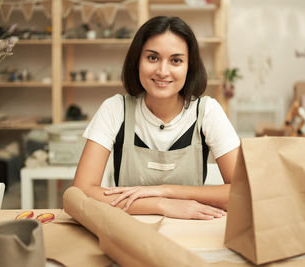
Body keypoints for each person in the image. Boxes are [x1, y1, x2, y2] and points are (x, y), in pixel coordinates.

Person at [73, 16, 240, 220]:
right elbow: (80, 193)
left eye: (176, 60)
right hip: (126, 232)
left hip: (191, 228)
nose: (162, 71)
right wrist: (161, 204)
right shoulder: (115, 109)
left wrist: (167, 191)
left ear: (190, 66)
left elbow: (242, 193)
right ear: (137, 61)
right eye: (152, 58)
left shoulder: (207, 111)